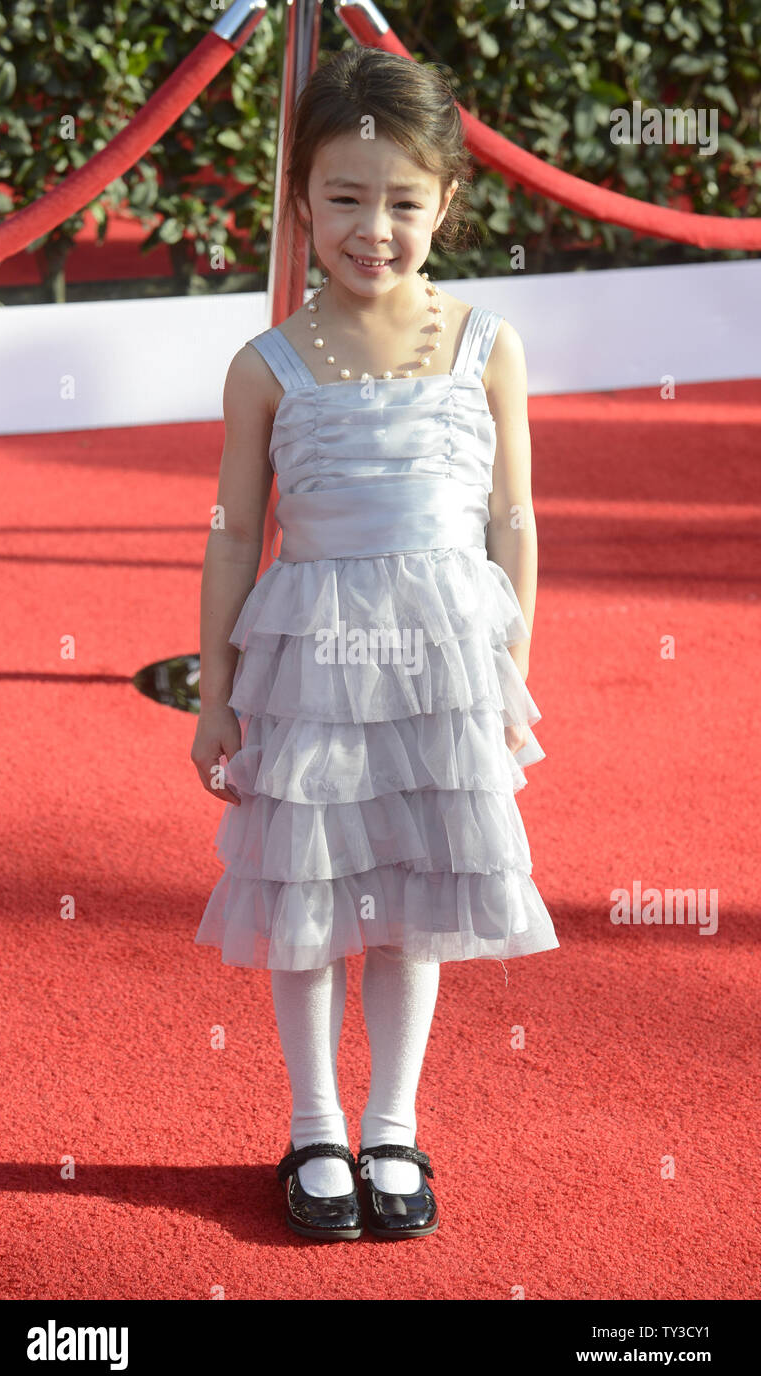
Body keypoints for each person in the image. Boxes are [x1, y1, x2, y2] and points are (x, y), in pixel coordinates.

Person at [190, 46, 559, 1242]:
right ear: (299, 200)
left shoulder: (485, 344)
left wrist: (510, 670)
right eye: (344, 197)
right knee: (304, 888)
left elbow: (513, 519)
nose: (373, 227)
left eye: (402, 201)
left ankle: (392, 1123)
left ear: (448, 201)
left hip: (443, 660)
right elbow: (237, 532)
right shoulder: (266, 366)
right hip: (311, 656)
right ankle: (312, 1125)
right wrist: (214, 695)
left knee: (414, 895)